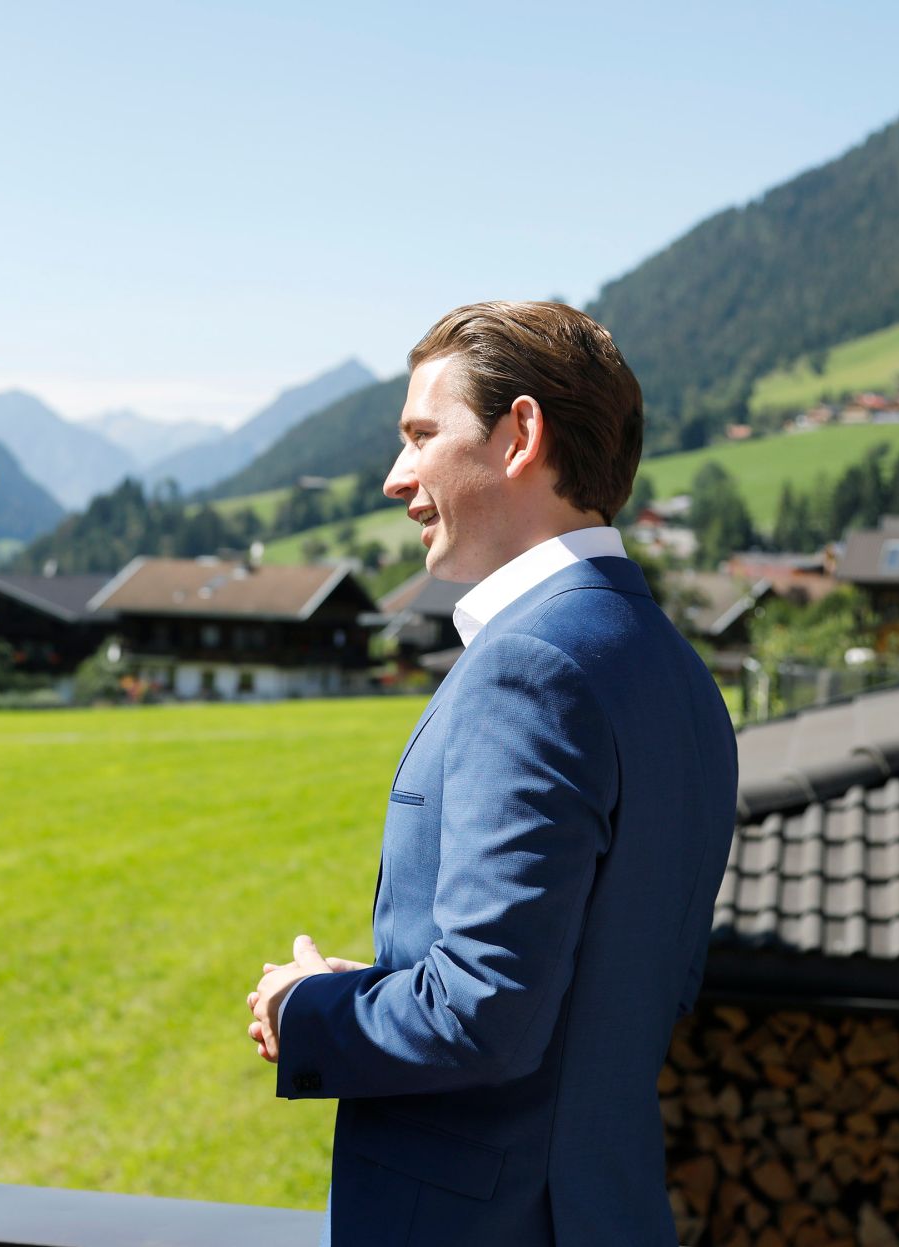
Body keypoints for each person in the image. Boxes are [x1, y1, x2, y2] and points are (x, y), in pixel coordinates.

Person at [246, 301, 737, 1246]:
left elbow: (488, 1012)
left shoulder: (532, 666)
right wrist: (394, 983)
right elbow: (606, 985)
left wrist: (304, 1005)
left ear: (520, 436)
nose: (397, 478)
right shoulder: (676, 671)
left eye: (422, 435)